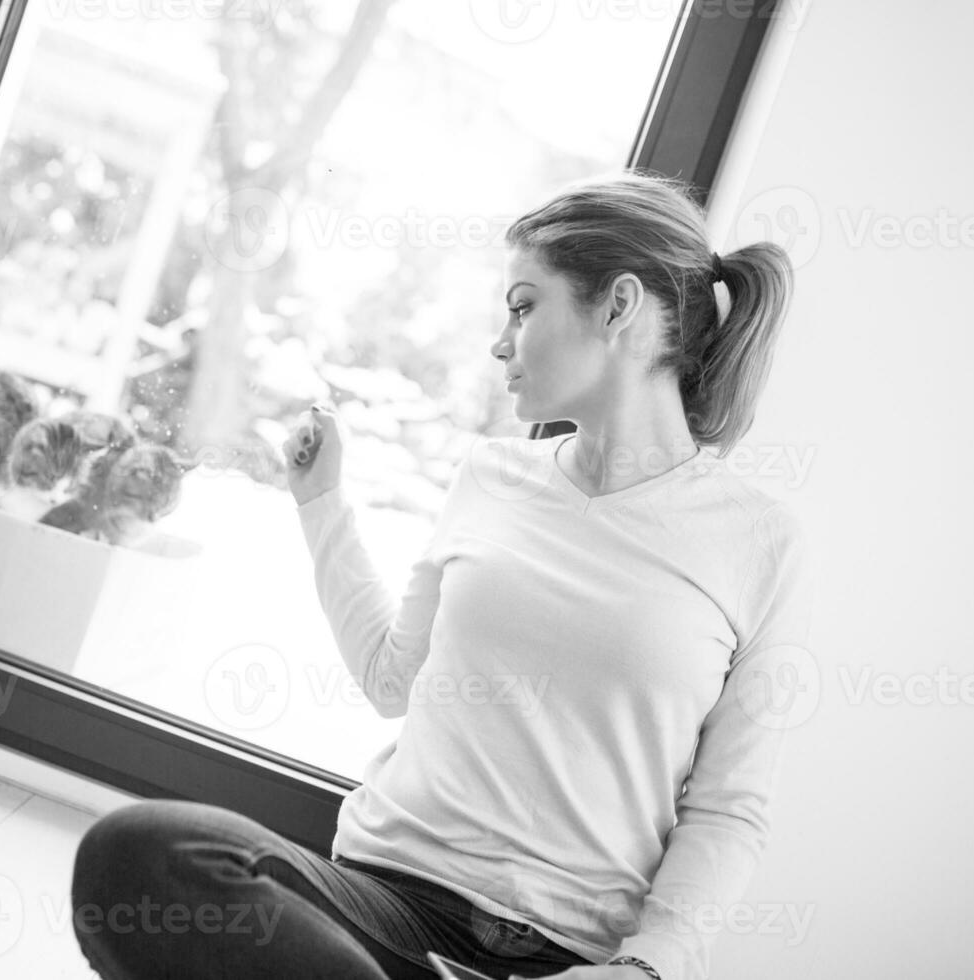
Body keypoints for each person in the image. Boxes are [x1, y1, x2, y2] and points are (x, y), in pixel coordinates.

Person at [70, 169, 817, 980]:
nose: (501, 342)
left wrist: (644, 970)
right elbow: (395, 680)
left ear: (619, 305)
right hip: (385, 905)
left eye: (524, 306)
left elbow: (727, 810)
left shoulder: (757, 544)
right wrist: (322, 507)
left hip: (569, 956)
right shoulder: (493, 475)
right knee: (138, 857)